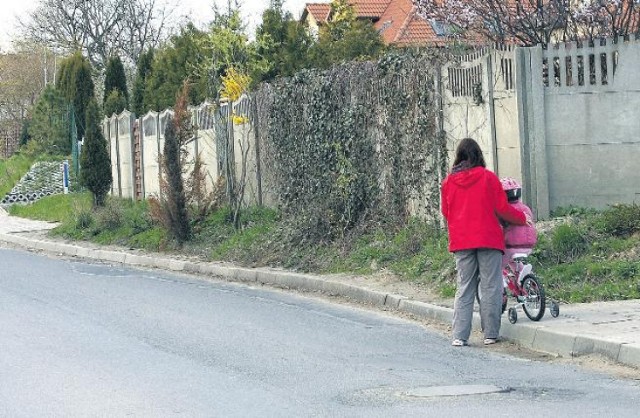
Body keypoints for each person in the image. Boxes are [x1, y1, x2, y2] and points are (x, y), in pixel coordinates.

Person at [441, 138, 527, 347]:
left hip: (462, 241)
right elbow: (502, 209)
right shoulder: (488, 178)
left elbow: (446, 212)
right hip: (488, 238)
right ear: (479, 155)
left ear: (458, 157)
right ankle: (490, 334)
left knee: (464, 287)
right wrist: (522, 218)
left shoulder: (448, 182)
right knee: (490, 286)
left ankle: (459, 336)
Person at [500, 177, 537, 269]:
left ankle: (502, 282)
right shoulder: (526, 208)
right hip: (529, 246)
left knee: (498, 266)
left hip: (512, 246)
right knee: (513, 263)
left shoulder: (505, 210)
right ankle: (523, 274)